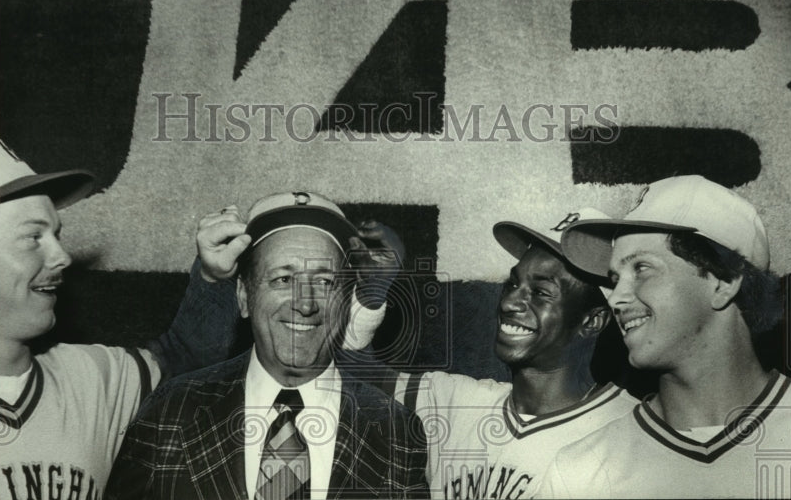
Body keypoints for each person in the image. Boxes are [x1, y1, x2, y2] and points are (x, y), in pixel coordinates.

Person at [187, 205, 638, 499]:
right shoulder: (459, 402)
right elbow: (337, 369)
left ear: (593, 321)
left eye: (540, 292)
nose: (510, 301)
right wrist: (373, 294)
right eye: (512, 283)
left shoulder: (633, 436)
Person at [0, 131, 228, 500]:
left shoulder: (93, 379)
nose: (62, 256)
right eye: (33, 237)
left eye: (56, 234)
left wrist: (213, 278)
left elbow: (189, 360)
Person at [103, 191, 429, 499]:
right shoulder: (171, 410)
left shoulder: (395, 429)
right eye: (283, 280)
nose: (305, 304)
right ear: (244, 297)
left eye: (324, 282)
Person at [541, 175, 791, 498]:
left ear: (723, 282)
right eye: (615, 279)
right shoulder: (581, 472)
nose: (615, 298)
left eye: (641, 268)